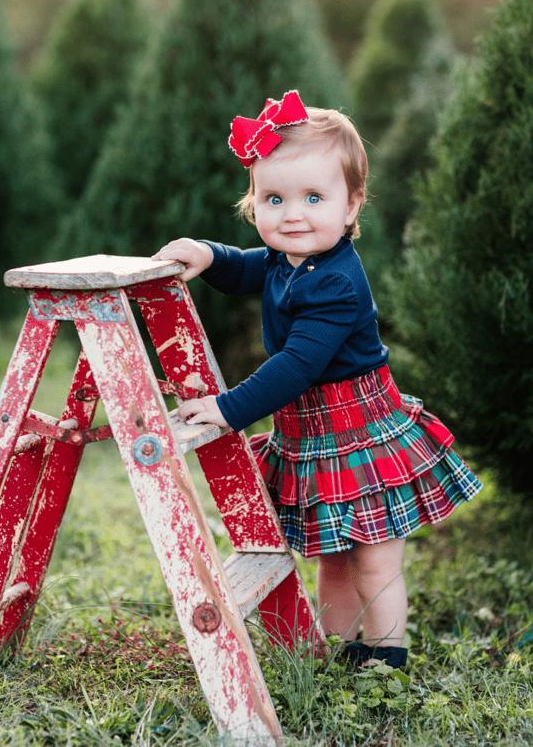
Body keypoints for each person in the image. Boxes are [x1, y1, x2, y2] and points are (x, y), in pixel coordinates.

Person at [152, 90, 482, 668]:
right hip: (311, 432)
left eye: (313, 197)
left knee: (374, 557)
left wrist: (229, 408)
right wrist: (208, 254)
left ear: (351, 206)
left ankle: (385, 657)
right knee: (332, 553)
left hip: (358, 428)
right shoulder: (289, 258)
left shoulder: (335, 283)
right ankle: (338, 647)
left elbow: (297, 366)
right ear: (254, 201)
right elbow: (246, 267)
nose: (292, 214)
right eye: (273, 198)